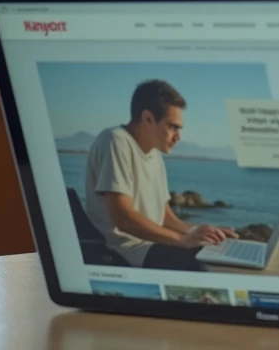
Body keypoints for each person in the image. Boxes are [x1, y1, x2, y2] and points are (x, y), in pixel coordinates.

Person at [84, 79, 237, 270]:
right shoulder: (115, 141)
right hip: (125, 251)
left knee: (218, 252)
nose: (178, 137)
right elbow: (123, 219)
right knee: (207, 265)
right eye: (172, 127)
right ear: (148, 118)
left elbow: (164, 215)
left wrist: (198, 231)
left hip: (152, 244)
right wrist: (182, 240)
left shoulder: (154, 153)